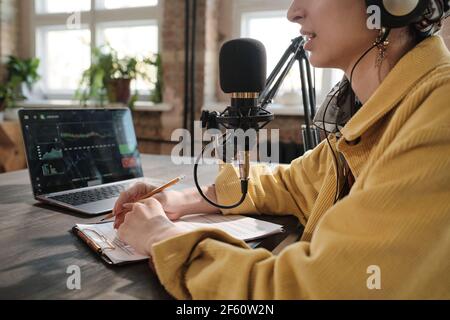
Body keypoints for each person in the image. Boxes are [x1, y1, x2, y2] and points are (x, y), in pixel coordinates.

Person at [114, 0, 450, 299]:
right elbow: (294, 182)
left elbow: (303, 289)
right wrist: (177, 201)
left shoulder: (441, 111)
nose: (293, 12)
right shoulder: (377, 114)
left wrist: (162, 237)